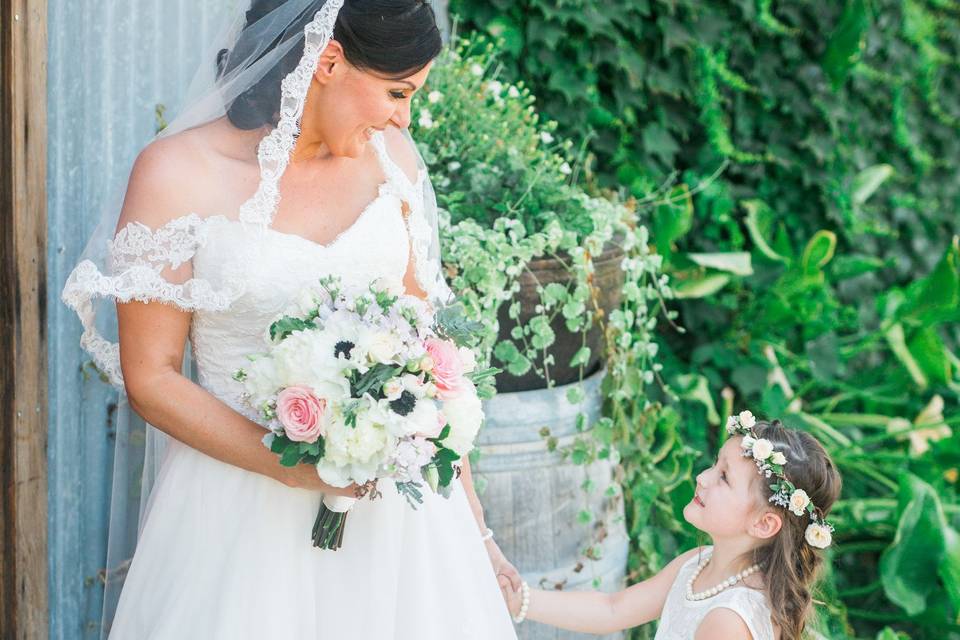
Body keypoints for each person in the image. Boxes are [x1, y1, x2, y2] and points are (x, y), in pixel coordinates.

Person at [61, 1, 519, 637]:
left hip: (400, 530)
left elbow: (430, 363)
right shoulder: (176, 175)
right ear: (329, 61)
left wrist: (479, 534)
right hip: (236, 524)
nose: (403, 117)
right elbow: (152, 376)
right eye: (397, 91)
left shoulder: (394, 164)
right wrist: (297, 468)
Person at [500, 414, 842, 640]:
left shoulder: (729, 619)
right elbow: (613, 609)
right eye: (714, 465)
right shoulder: (698, 564)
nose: (702, 477)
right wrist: (522, 601)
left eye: (724, 477)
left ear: (764, 523)